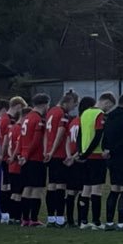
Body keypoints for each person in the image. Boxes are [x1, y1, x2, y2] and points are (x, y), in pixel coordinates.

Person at [101, 93, 123, 231]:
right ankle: (121, 223)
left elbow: (105, 135)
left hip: (111, 158)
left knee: (114, 188)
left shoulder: (110, 117)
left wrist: (107, 150)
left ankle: (109, 223)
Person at [77, 93, 113, 229]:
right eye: (109, 106)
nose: (108, 109)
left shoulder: (85, 113)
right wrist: (89, 152)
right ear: (106, 102)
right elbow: (98, 136)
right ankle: (96, 222)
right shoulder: (99, 114)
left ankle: (83, 221)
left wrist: (81, 152)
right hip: (96, 155)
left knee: (86, 188)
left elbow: (80, 134)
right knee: (96, 189)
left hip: (85, 155)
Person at [42, 91, 77, 227]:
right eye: (73, 104)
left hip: (50, 153)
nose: (73, 107)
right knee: (61, 186)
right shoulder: (63, 114)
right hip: (59, 154)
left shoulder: (50, 112)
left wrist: (46, 150)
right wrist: (52, 151)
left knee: (51, 185)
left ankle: (51, 218)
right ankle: (60, 218)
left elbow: (46, 133)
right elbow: (60, 133)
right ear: (68, 102)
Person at [18, 94, 50, 227]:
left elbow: (22, 137)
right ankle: (34, 218)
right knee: (37, 188)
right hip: (35, 158)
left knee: (27, 187)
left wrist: (22, 154)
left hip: (25, 157)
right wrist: (28, 154)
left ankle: (25, 218)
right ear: (44, 104)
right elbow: (36, 140)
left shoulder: (27, 117)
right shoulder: (38, 119)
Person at [63, 97, 94, 227]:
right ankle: (82, 219)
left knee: (71, 191)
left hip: (71, 158)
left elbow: (68, 139)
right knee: (83, 190)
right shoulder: (85, 121)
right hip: (81, 158)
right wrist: (76, 155)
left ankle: (70, 219)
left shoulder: (73, 121)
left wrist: (69, 155)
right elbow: (84, 141)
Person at [1, 97, 26, 224]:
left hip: (11, 163)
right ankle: (16, 216)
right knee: (18, 192)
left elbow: (7, 142)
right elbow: (17, 145)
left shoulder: (12, 127)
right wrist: (14, 157)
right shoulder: (20, 128)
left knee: (12, 191)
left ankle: (11, 216)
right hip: (16, 163)